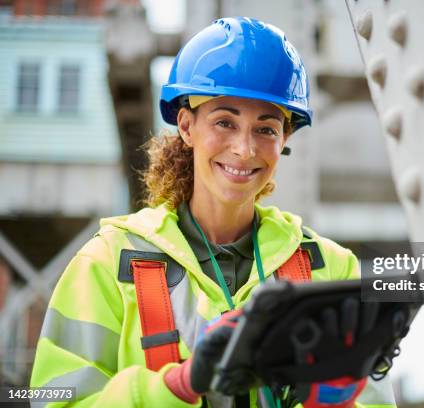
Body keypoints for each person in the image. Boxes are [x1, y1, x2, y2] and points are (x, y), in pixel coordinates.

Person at [30, 17, 396, 408]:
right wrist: (177, 387)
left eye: (266, 129)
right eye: (225, 122)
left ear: (285, 138)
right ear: (186, 126)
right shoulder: (106, 262)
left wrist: (335, 400)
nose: (245, 149)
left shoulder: (334, 271)